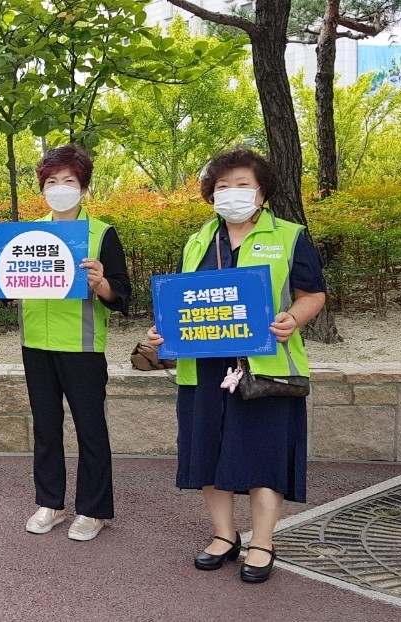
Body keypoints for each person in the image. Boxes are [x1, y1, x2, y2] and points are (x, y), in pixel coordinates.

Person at [146, 148, 327, 584]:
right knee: (208, 449)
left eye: (243, 184)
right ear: (211, 194)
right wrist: (161, 331)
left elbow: (313, 294)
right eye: (222, 186)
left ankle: (262, 541)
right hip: (203, 368)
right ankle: (224, 536)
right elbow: (180, 299)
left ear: (262, 191)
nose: (232, 193)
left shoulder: (289, 236)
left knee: (264, 452)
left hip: (265, 368)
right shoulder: (197, 240)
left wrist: (292, 319)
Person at [0, 145, 130, 541]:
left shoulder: (101, 234)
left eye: (70, 181)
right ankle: (51, 503)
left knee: (90, 429)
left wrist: (101, 284)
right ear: (43, 187)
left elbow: (123, 296)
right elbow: (8, 293)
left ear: (84, 187)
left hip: (82, 346)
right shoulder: (27, 234)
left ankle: (93, 510)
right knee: (45, 427)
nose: (60, 188)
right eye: (53, 181)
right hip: (37, 344)